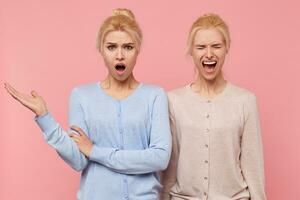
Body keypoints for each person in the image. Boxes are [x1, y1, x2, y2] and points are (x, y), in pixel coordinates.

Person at [4, 8, 171, 200]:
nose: (119, 55)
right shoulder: (82, 96)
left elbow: (159, 158)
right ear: (101, 49)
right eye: (111, 47)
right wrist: (45, 118)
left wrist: (95, 151)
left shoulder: (154, 96)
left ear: (138, 50)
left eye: (128, 47)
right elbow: (79, 161)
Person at [160, 13, 266, 200]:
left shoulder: (245, 101)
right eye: (201, 47)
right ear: (191, 51)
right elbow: (170, 165)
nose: (209, 54)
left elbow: (252, 166)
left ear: (227, 48)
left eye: (216, 46)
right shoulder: (173, 101)